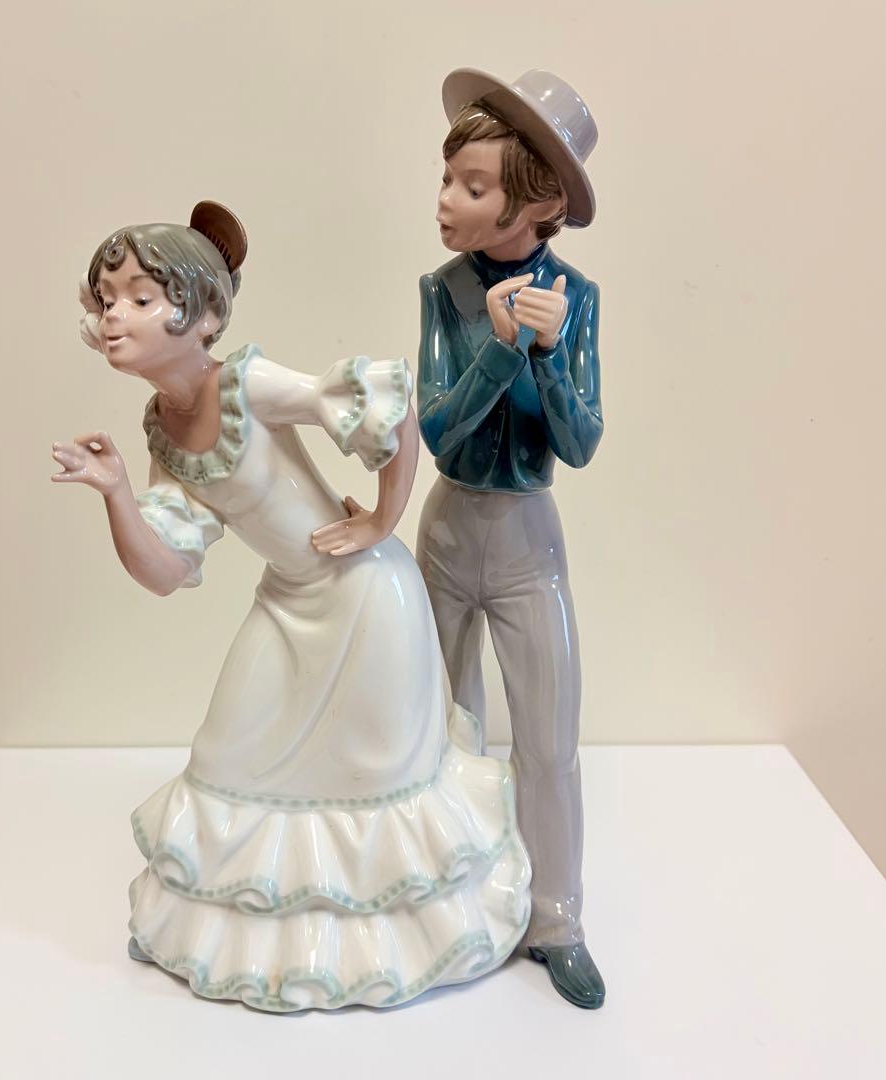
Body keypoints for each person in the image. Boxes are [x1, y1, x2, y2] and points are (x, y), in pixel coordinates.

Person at [52, 201, 531, 1012]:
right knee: (226, 758)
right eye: (106, 300)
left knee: (374, 787)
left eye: (138, 298)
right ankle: (250, 946)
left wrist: (380, 523)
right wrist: (118, 494)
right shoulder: (162, 425)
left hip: (366, 598)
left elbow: (386, 408)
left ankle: (389, 949)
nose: (114, 317)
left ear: (203, 315)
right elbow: (167, 571)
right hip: (289, 602)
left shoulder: (245, 383)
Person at [415, 69, 606, 1008]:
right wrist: (496, 350)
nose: (447, 199)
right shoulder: (443, 291)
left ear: (535, 204)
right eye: (448, 178)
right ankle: (452, 900)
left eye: (473, 185)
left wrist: (550, 354)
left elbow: (579, 442)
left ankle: (556, 917)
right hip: (451, 528)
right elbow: (438, 432)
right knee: (442, 726)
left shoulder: (577, 298)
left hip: (529, 535)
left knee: (548, 735)